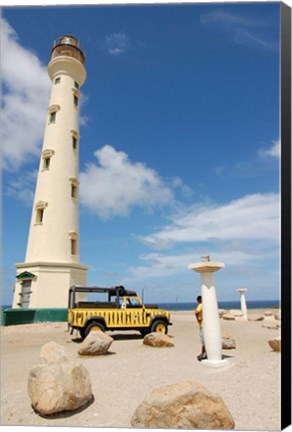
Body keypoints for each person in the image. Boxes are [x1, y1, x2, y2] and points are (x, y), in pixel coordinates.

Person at [195, 295, 207, 361]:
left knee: (203, 340)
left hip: (202, 325)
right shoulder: (204, 305)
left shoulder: (201, 305)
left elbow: (196, 312)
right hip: (205, 325)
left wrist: (198, 319)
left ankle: (202, 354)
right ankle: (204, 353)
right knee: (205, 340)